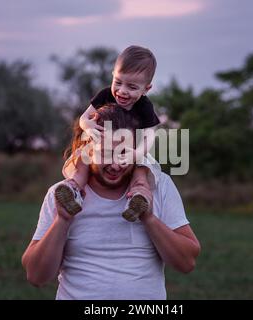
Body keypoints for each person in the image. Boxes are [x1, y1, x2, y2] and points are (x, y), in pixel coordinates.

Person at [22, 104, 200, 300]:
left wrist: (149, 218)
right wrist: (62, 220)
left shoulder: (159, 186)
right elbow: (36, 276)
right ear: (88, 149)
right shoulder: (62, 194)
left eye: (124, 153)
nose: (116, 165)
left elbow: (187, 263)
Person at [56, 45, 161, 222]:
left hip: (132, 151)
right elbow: (83, 118)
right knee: (83, 159)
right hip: (101, 146)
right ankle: (73, 189)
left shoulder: (145, 106)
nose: (122, 91)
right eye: (118, 82)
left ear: (146, 89)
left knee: (140, 172)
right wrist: (88, 126)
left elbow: (150, 135)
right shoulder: (105, 95)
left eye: (132, 87)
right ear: (113, 74)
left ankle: (138, 199)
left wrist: (137, 154)